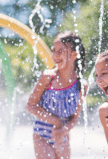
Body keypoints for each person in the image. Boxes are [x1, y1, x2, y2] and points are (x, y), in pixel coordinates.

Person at [26, 31, 87, 159]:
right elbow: (30, 105)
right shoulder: (48, 77)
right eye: (54, 50)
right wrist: (55, 120)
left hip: (62, 136)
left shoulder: (81, 85)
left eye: (60, 51)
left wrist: (63, 130)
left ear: (75, 54)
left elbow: (74, 118)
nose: (55, 55)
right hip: (41, 135)